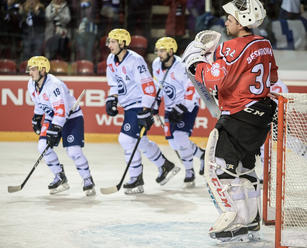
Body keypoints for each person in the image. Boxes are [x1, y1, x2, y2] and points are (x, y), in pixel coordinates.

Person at [182, 0, 278, 243]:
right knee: (246, 168)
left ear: (243, 21)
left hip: (238, 116)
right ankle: (251, 219)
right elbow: (271, 76)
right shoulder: (264, 45)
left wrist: (195, 62)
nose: (226, 22)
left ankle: (234, 220)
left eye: (231, 19)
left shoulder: (231, 48)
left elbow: (214, 79)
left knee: (220, 167)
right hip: (260, 115)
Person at [105, 28, 180, 195]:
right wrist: (112, 99)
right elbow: (113, 83)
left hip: (139, 104)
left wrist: (146, 111)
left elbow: (148, 87)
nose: (109, 45)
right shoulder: (111, 59)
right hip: (128, 105)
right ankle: (165, 166)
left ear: (122, 43)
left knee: (126, 139)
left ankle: (136, 178)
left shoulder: (135, 60)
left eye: (113, 41)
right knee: (141, 140)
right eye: (108, 41)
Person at [27, 56, 95, 196]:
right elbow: (40, 103)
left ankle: (87, 179)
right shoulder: (31, 83)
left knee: (73, 151)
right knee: (43, 147)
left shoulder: (54, 85)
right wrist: (37, 117)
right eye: (30, 69)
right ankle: (60, 176)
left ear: (43, 70)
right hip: (53, 117)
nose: (30, 72)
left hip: (71, 118)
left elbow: (61, 111)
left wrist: (55, 128)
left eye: (33, 69)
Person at [152, 37, 206, 188]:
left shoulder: (182, 66)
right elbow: (158, 86)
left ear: (170, 50)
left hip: (187, 106)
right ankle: (201, 154)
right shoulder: (156, 64)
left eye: (162, 50)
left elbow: (192, 88)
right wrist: (155, 105)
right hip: (170, 108)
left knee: (180, 138)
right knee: (173, 143)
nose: (159, 54)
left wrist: (181, 108)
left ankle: (189, 172)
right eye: (158, 50)